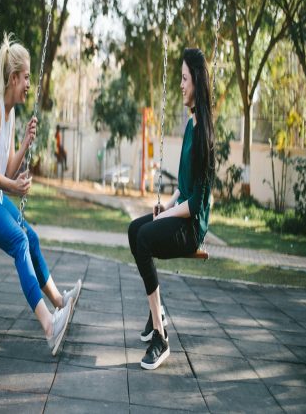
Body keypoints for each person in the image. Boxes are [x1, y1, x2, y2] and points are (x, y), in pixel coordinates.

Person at [0, 34, 81, 356]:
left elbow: (9, 169)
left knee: (30, 236)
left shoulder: (10, 112)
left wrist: (26, 144)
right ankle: (48, 324)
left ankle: (59, 301)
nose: (30, 83)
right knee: (19, 241)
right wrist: (14, 187)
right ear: (14, 77)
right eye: (27, 76)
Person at [128, 48, 215, 370]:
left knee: (145, 238)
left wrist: (168, 214)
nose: (180, 85)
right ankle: (156, 314)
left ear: (197, 82)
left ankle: (161, 338)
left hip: (192, 227)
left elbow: (197, 203)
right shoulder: (191, 125)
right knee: (134, 229)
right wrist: (166, 203)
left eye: (184, 78)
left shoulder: (204, 132)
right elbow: (184, 186)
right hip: (181, 211)